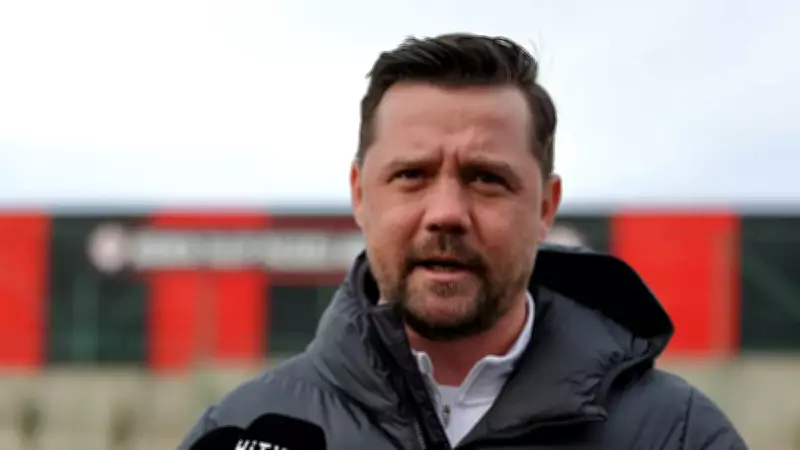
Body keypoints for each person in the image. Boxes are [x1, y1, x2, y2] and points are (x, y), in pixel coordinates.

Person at [177, 33, 747, 449]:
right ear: (359, 194)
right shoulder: (241, 431)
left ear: (545, 207)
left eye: (486, 178)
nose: (447, 213)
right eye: (412, 175)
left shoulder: (678, 435)